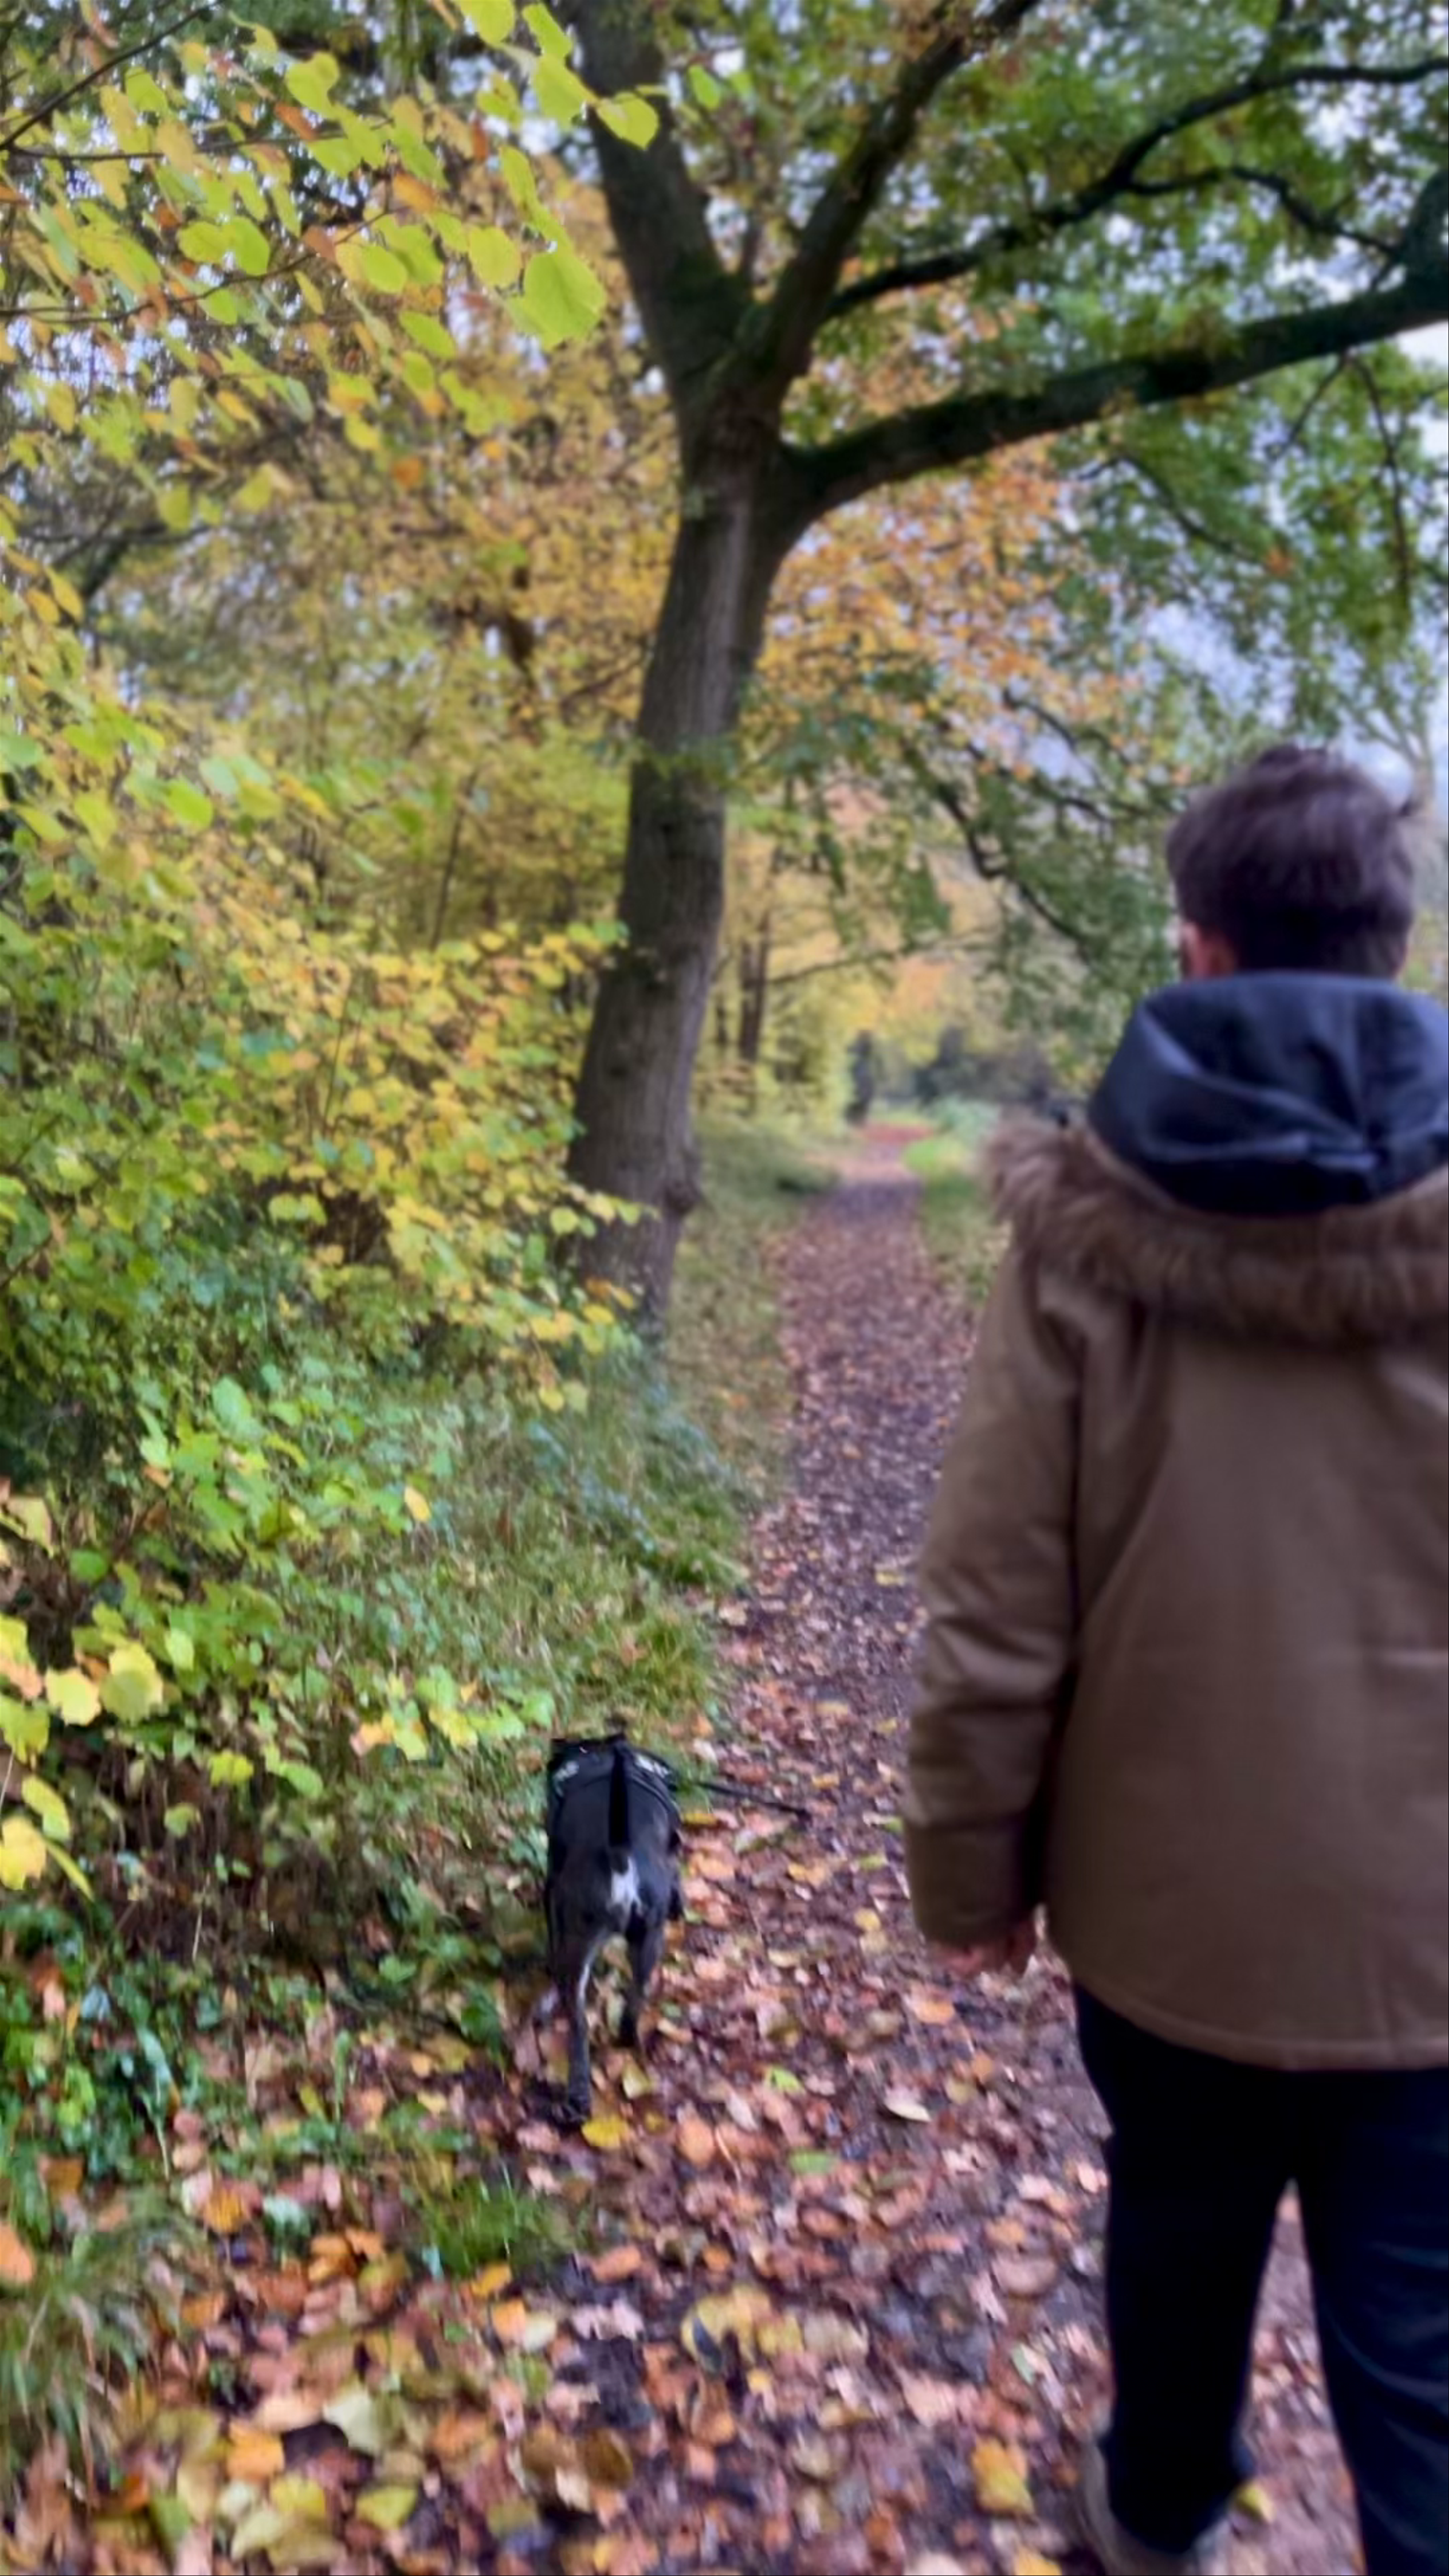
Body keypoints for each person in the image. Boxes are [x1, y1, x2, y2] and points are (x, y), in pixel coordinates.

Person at [904, 745, 1448, 2576]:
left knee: (1182, 2227)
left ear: (1198, 950)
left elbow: (997, 1600)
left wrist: (969, 1868)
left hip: (1169, 1909)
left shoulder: (1084, 1228)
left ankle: (1156, 2524)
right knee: (1424, 2346)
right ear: (1392, 942)